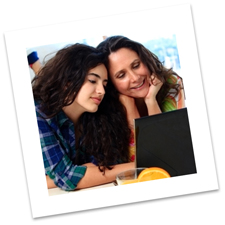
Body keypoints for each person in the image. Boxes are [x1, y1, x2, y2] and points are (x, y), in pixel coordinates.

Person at [32, 43, 134, 191]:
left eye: (104, 84)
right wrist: (136, 167)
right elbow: (67, 177)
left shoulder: (97, 117)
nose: (101, 91)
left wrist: (54, 179)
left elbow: (109, 162)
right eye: (93, 81)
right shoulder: (38, 114)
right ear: (67, 81)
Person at [97, 35, 185, 161]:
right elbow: (144, 161)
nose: (135, 78)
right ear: (110, 83)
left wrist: (151, 101)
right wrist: (129, 108)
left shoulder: (170, 84)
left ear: (145, 60)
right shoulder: (108, 108)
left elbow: (167, 153)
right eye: (121, 75)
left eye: (136, 65)